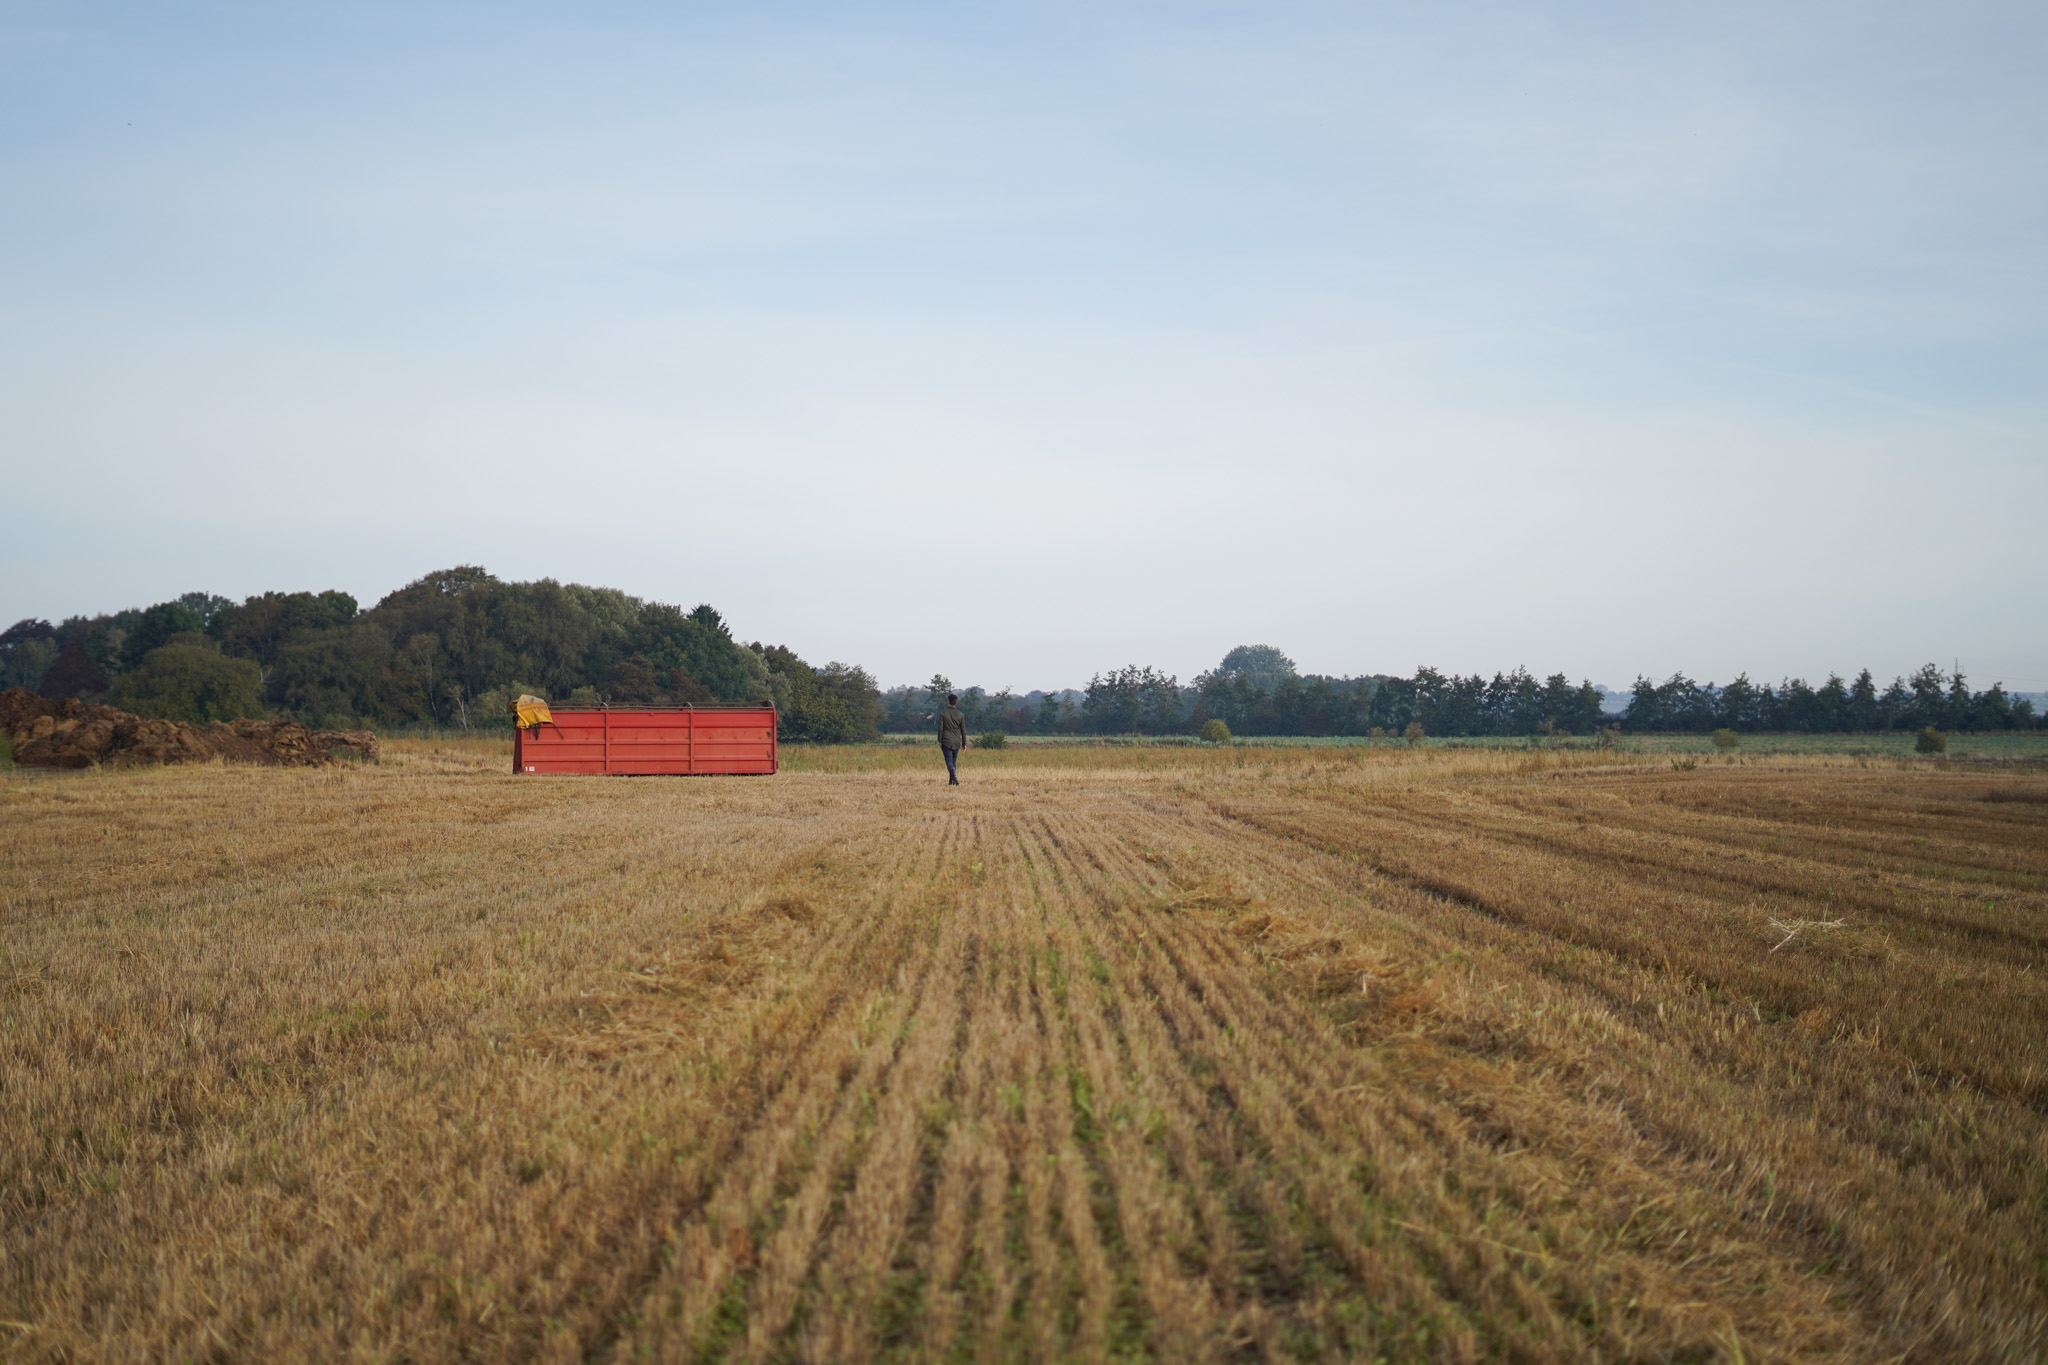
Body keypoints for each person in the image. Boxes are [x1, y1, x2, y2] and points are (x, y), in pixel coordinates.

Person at [936, 692, 967, 784]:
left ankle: (954, 777)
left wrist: (940, 740)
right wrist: (964, 744)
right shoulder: (960, 714)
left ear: (948, 701)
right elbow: (963, 730)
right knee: (954, 761)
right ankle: (951, 781)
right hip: (957, 740)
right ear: (956, 702)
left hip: (946, 740)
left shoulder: (943, 713)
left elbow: (940, 728)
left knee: (949, 761)